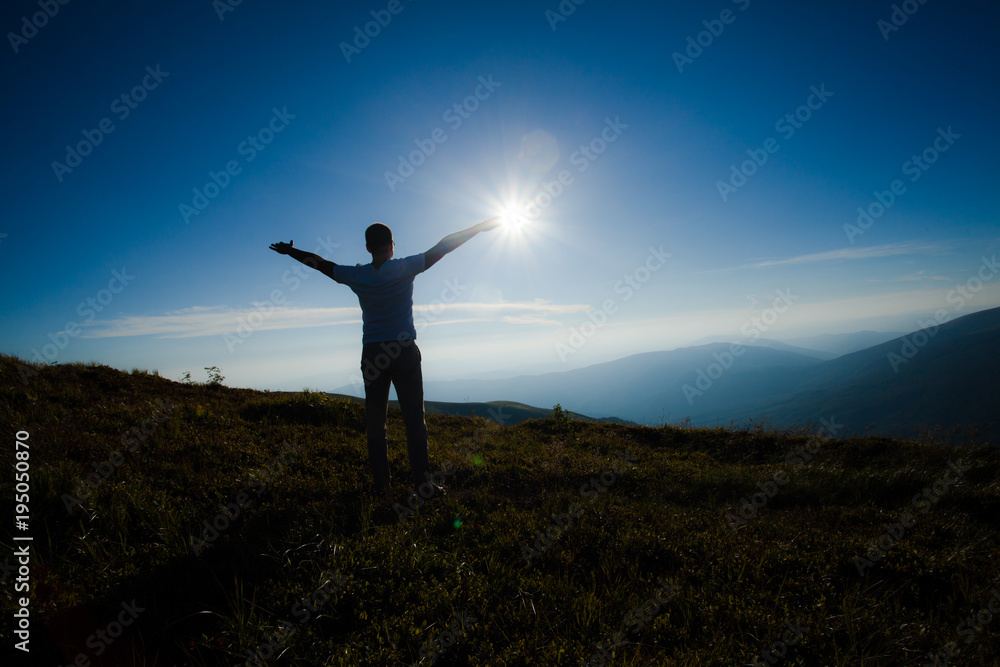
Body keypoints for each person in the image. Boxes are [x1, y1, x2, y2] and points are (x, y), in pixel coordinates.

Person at [269, 217, 500, 499]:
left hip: (373, 353)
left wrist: (291, 251)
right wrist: (479, 228)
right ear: (392, 245)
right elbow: (444, 246)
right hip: (403, 351)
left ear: (368, 247)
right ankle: (424, 486)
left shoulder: (356, 275)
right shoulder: (405, 267)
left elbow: (320, 264)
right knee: (414, 421)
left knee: (375, 422)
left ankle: (381, 487)